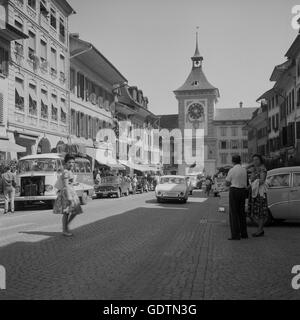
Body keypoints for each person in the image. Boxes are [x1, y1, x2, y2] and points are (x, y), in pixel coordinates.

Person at [53, 154, 83, 237]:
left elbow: (69, 183)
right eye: (69, 162)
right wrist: (69, 197)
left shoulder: (69, 171)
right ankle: (65, 229)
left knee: (74, 211)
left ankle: (65, 227)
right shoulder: (66, 172)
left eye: (73, 162)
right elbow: (66, 185)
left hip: (71, 192)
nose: (71, 164)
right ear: (65, 163)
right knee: (67, 212)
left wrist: (74, 183)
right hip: (67, 194)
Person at [225, 155, 248, 240]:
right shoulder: (244, 170)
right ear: (240, 161)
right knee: (242, 213)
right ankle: (244, 233)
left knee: (233, 213)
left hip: (234, 191)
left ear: (233, 161)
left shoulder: (232, 170)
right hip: (243, 191)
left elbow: (227, 183)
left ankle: (235, 235)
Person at [248, 154, 268, 237]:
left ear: (260, 160)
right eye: (253, 160)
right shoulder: (254, 169)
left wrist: (253, 183)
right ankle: (260, 229)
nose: (255, 161)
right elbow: (245, 168)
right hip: (254, 192)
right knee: (253, 213)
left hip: (259, 193)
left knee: (260, 213)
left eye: (257, 159)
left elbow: (262, 180)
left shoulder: (262, 169)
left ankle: (260, 230)